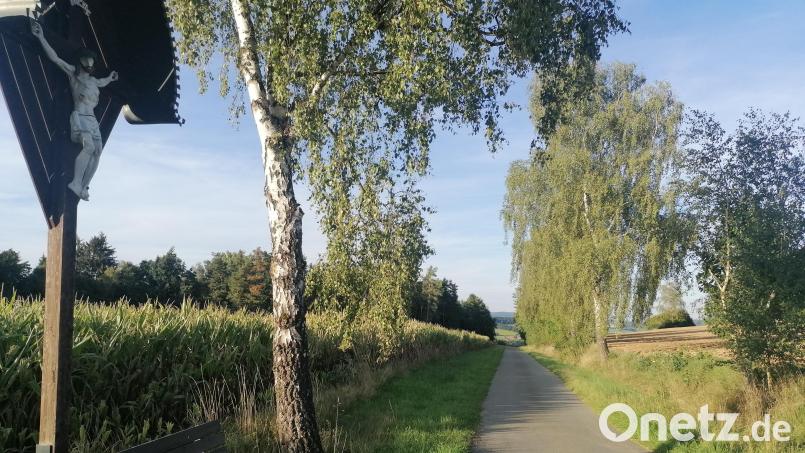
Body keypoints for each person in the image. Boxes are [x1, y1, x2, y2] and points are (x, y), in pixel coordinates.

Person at [31, 20, 117, 201]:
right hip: (80, 117)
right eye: (87, 59)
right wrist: (41, 37)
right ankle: (76, 183)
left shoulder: (94, 82)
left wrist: (111, 77)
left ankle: (84, 186)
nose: (90, 62)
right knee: (89, 146)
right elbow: (55, 58)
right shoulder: (74, 75)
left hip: (92, 120)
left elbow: (104, 82)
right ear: (81, 61)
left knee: (97, 151)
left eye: (92, 60)